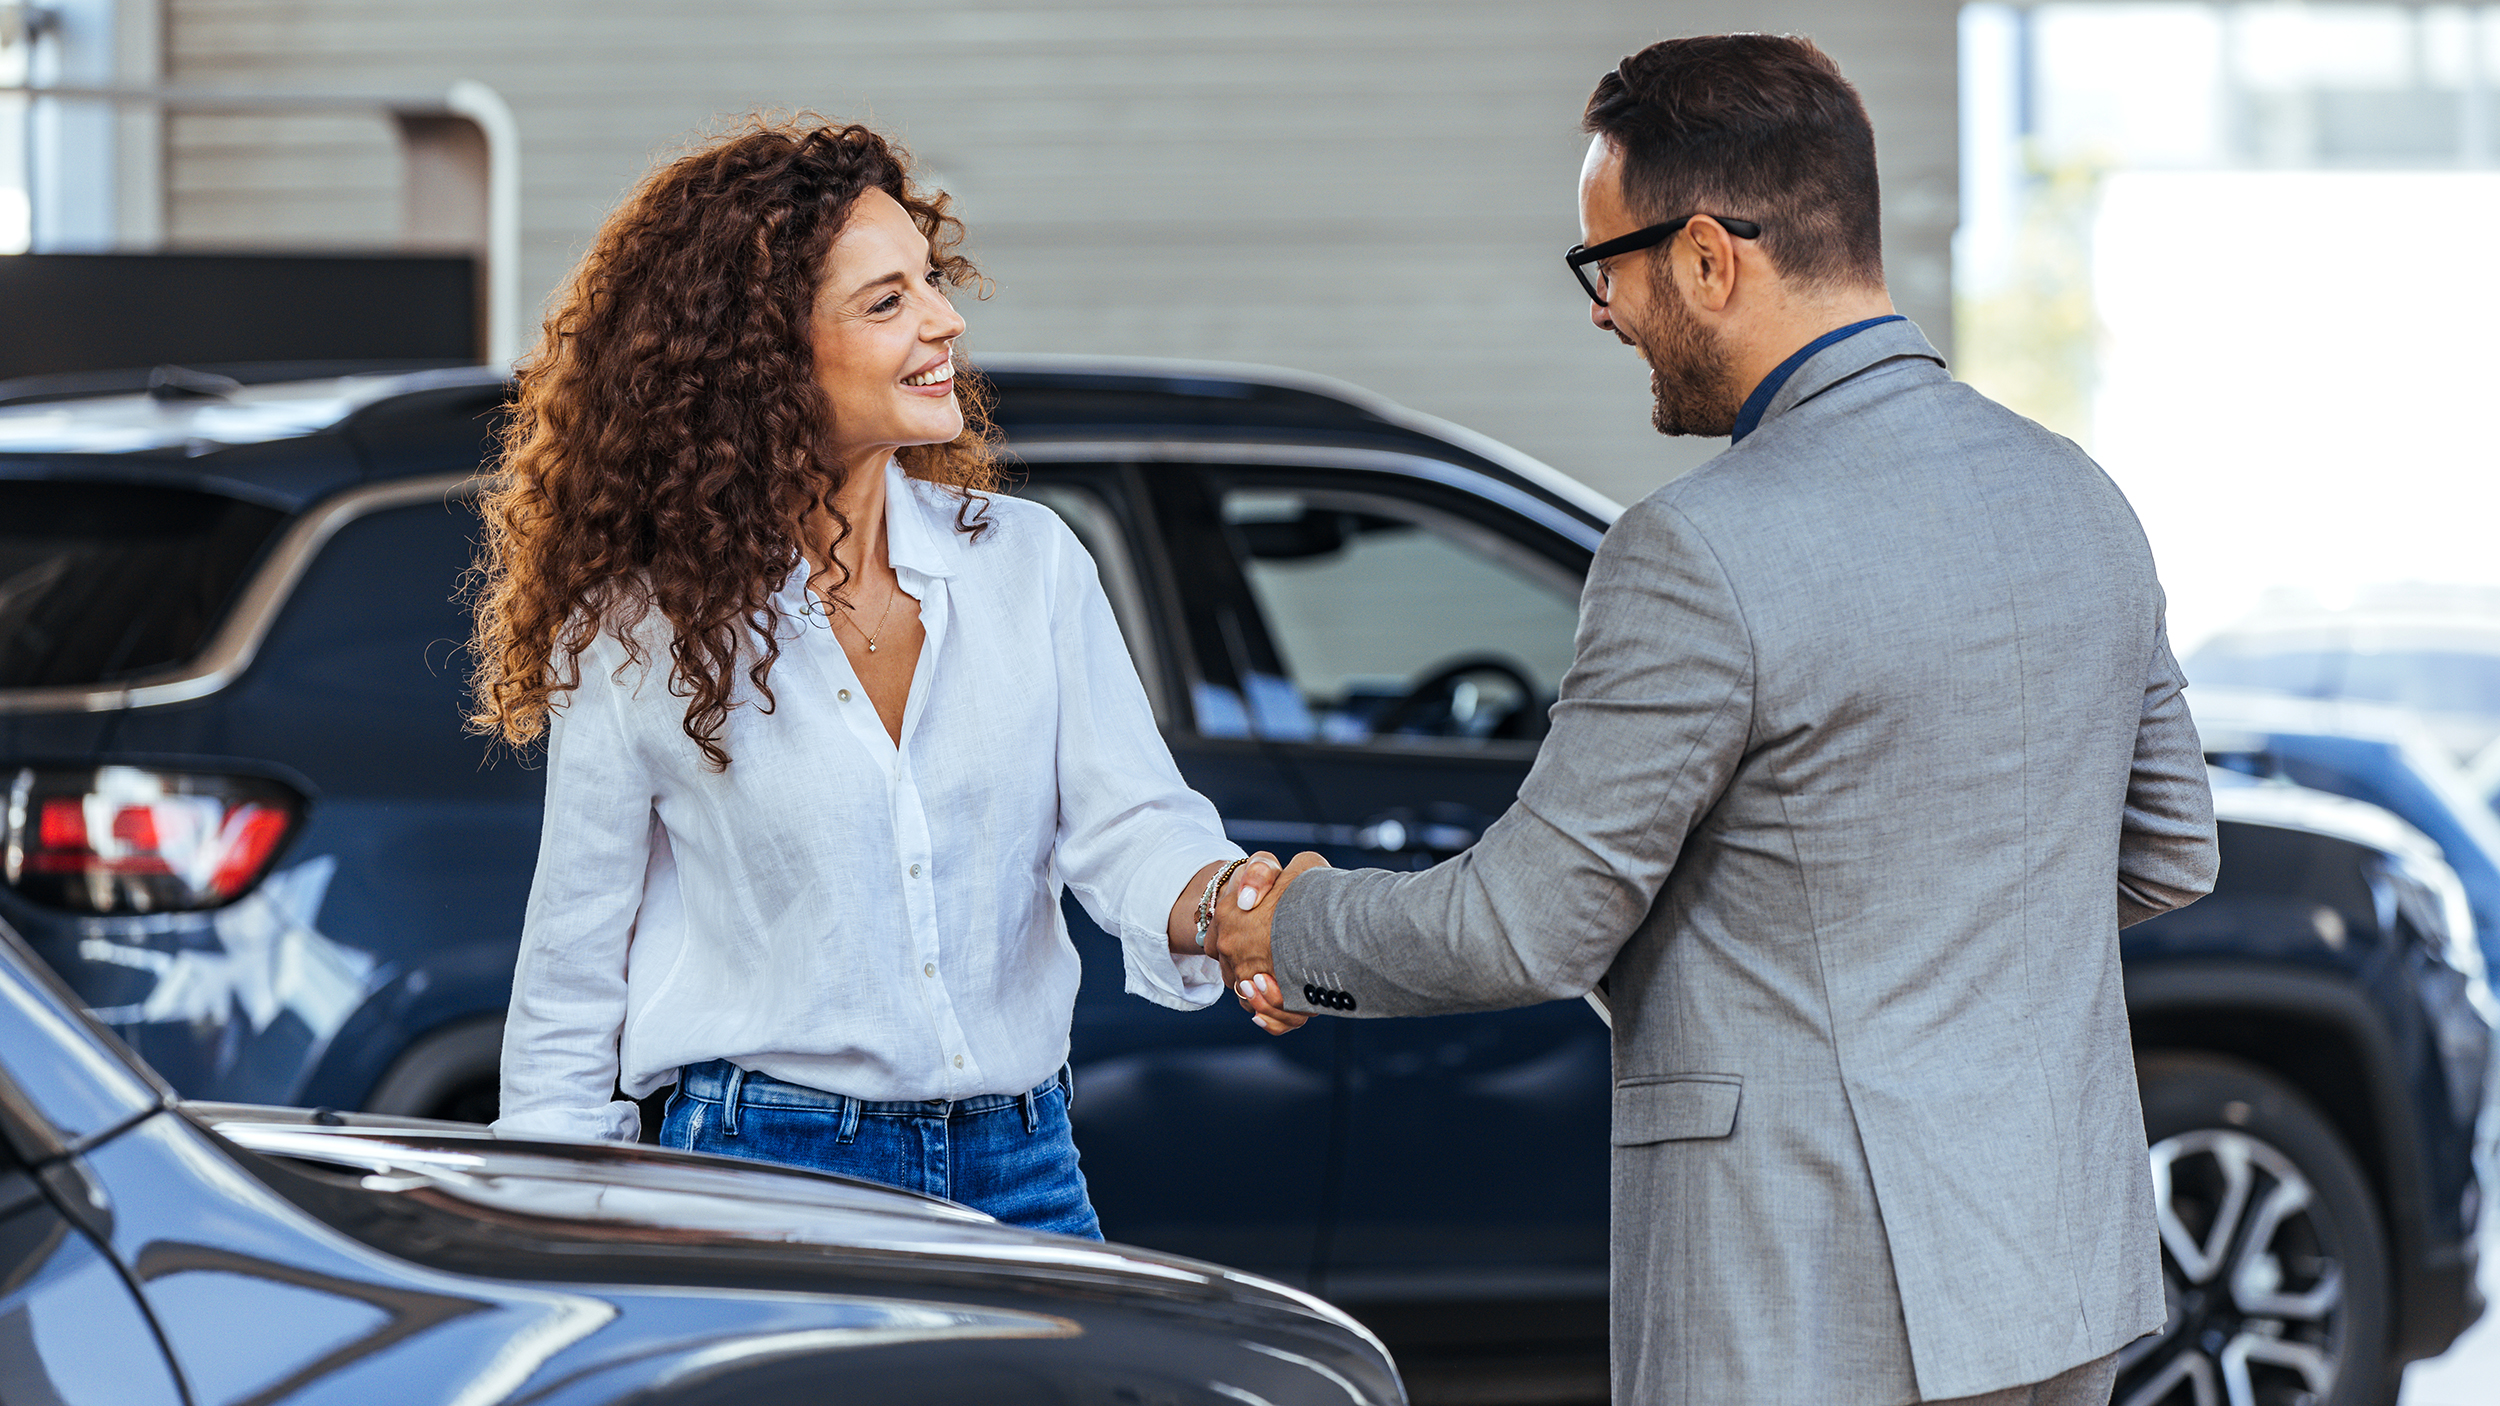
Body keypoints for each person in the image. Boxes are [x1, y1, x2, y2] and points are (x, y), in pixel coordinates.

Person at [1215, 34, 2218, 1405]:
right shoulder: (2078, 496)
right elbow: (2171, 852)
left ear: (1705, 256)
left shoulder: (1696, 551)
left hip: (1808, 1287)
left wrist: (1292, 924)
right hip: (2054, 1273)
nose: (1600, 309)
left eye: (1603, 263)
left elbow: (1529, 922)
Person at [471, 120, 1261, 1238]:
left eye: (930, 283)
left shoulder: (1027, 562)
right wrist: (553, 1230)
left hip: (1022, 1163)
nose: (944, 321)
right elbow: (571, 973)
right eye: (886, 302)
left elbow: (1129, 825)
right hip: (760, 1176)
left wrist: (1232, 910)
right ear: (766, 357)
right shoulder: (638, 631)